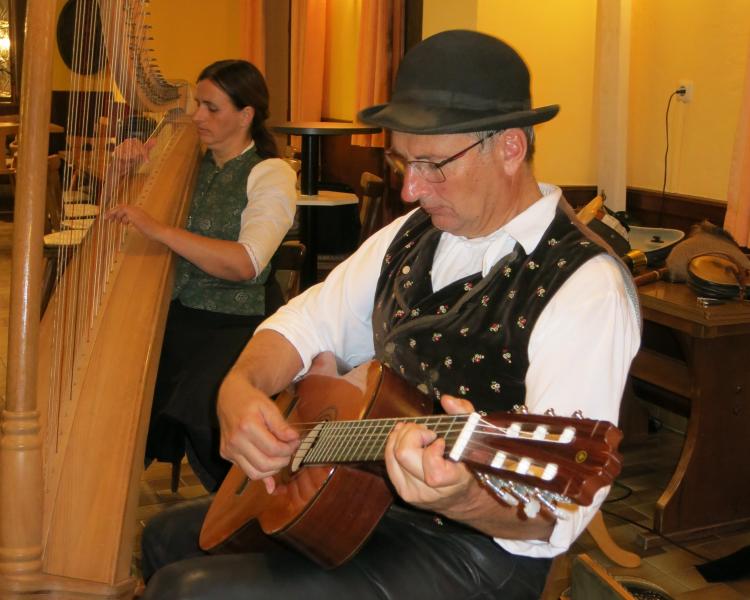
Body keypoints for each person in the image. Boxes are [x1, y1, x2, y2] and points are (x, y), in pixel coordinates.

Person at [139, 30, 641, 599]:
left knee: (189, 590)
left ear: (508, 148)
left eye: (431, 164)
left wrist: (462, 496)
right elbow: (306, 321)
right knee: (165, 541)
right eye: (402, 161)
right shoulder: (414, 231)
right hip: (360, 497)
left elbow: (558, 512)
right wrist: (241, 385)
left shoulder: (585, 285)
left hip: (477, 551)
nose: (409, 189)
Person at [105, 59, 297, 491]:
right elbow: (122, 223)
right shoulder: (189, 162)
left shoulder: (270, 174)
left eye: (212, 108)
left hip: (236, 322)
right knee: (121, 391)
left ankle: (240, 501)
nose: (196, 116)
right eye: (197, 104)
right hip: (179, 312)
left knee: (202, 405)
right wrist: (122, 171)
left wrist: (162, 231)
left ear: (246, 115)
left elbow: (248, 264)